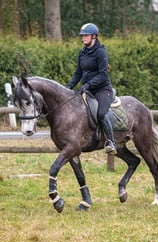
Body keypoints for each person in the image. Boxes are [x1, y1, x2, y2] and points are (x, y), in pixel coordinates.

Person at [66, 23, 117, 155]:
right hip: (87, 90)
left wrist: (88, 85)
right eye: (82, 36)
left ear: (94, 36)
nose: (83, 38)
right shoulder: (82, 52)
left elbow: (103, 74)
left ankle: (111, 142)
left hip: (102, 90)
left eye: (86, 35)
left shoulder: (101, 52)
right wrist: (68, 87)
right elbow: (78, 73)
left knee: (101, 113)